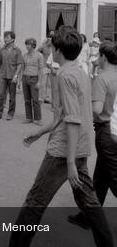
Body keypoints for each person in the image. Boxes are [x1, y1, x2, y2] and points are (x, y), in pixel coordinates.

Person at [8, 26, 114, 247]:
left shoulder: (65, 76)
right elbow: (68, 113)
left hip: (63, 151)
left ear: (56, 50)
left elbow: (73, 118)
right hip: (81, 147)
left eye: (51, 46)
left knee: (35, 201)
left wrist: (70, 161)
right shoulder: (80, 73)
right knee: (90, 202)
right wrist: (41, 131)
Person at [68, 41, 117, 229]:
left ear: (104, 57)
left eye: (99, 56)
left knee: (113, 178)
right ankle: (88, 216)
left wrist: (81, 107)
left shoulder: (102, 78)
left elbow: (96, 110)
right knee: (100, 178)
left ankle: (88, 216)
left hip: (106, 132)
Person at [0, 31, 22, 121]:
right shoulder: (2, 50)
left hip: (12, 76)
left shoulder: (17, 50)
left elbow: (19, 64)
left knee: (12, 97)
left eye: (7, 37)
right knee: (0, 95)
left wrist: (16, 75)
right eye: (5, 37)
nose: (5, 39)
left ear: (12, 39)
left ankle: (10, 113)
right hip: (2, 75)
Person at [22, 37, 44, 124]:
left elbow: (41, 69)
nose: (27, 46)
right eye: (26, 44)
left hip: (34, 78)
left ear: (33, 45)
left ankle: (38, 119)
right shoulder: (24, 55)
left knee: (35, 99)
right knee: (27, 99)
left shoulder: (39, 55)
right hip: (25, 77)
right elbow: (23, 67)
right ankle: (29, 117)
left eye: (29, 44)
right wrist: (21, 79)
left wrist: (39, 82)